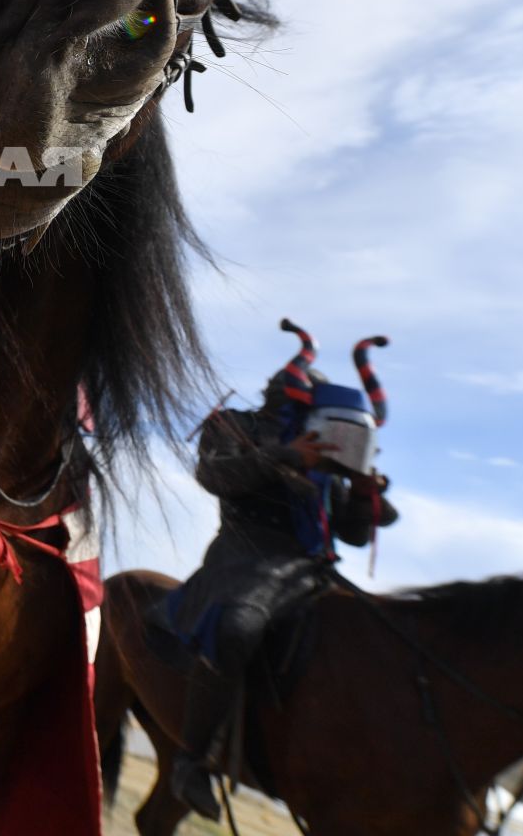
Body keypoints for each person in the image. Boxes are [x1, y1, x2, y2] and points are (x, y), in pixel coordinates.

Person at [160, 323, 400, 820]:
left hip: (312, 568)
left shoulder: (330, 444)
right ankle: (191, 761)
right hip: (244, 555)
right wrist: (288, 456)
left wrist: (360, 493)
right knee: (236, 626)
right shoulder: (236, 424)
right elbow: (214, 475)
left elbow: (352, 534)